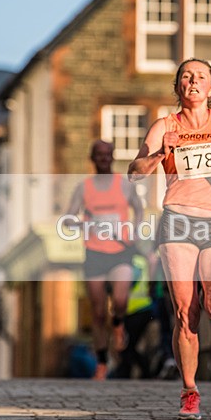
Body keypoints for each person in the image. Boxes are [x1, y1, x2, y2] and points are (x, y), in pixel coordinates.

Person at [129, 58, 211, 420]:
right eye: (187, 76)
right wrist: (160, 154)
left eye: (201, 76)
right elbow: (135, 172)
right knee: (184, 311)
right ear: (178, 87)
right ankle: (190, 390)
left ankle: (208, 291)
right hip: (178, 220)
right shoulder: (165, 125)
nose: (193, 81)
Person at [65, 140, 142, 380]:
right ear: (92, 158)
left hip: (121, 250)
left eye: (108, 154)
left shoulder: (124, 185)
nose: (104, 158)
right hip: (95, 253)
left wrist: (135, 230)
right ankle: (101, 363)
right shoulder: (84, 188)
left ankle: (118, 323)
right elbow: (68, 218)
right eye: (99, 154)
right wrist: (83, 224)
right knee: (98, 313)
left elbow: (139, 209)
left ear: (113, 157)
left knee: (120, 299)